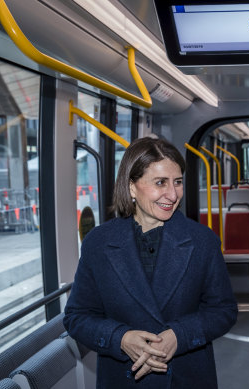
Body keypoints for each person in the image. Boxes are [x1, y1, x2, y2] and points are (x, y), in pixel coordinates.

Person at [64, 137, 237, 388]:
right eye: (160, 183)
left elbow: (223, 310)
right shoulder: (99, 243)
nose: (173, 194)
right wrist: (120, 338)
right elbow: (77, 317)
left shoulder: (202, 241)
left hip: (186, 377)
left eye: (177, 182)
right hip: (123, 378)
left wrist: (180, 335)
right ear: (132, 187)